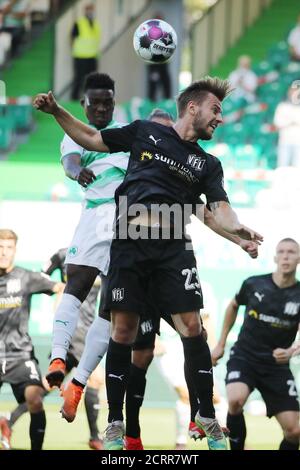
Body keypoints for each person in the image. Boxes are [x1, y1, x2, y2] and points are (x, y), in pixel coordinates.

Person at [33, 77, 263, 451]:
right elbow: (92, 139)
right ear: (193, 107)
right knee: (122, 332)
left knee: (192, 327)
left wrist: (238, 232)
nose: (219, 118)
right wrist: (57, 110)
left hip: (174, 248)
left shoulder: (207, 163)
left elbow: (216, 210)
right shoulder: (144, 134)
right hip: (130, 244)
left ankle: (205, 414)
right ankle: (115, 425)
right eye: (215, 110)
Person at [45, 72, 127, 395]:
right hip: (96, 217)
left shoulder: (125, 133)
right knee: (77, 284)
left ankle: (79, 382)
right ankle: (57, 357)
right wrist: (79, 173)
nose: (102, 109)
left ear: (114, 103)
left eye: (108, 103)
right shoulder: (76, 133)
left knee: (110, 303)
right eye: (96, 103)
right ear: (84, 105)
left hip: (128, 224)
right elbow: (70, 163)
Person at [3, 247, 104, 451]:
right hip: (74, 327)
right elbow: (41, 274)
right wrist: (61, 291)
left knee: (49, 384)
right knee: (96, 378)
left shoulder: (103, 253)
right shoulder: (63, 254)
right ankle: (95, 437)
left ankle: (8, 419)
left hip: (89, 326)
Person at [212, 238, 300, 451]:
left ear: (299, 258)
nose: (286, 256)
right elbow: (233, 306)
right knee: (235, 400)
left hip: (276, 367)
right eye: (281, 252)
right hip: (245, 357)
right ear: (275, 257)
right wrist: (221, 344)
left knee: (295, 432)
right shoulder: (254, 283)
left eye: (291, 252)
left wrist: (292, 351)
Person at [0, 229, 64, 450]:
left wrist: (59, 307)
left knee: (35, 398)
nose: (4, 253)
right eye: (0, 247)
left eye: (8, 248)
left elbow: (60, 288)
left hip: (20, 355)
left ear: (15, 251)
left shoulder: (26, 277)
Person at [71, 3, 101, 100]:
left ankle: (90, 99)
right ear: (85, 11)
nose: (91, 12)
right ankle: (74, 99)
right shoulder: (79, 23)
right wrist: (74, 48)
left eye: (92, 10)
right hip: (80, 56)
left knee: (92, 80)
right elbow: (72, 38)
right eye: (89, 10)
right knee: (79, 79)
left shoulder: (95, 24)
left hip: (92, 56)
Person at [274, 84, 300, 168]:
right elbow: (277, 123)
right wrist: (291, 121)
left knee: (297, 168)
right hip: (285, 141)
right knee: (282, 166)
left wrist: (290, 121)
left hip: (298, 142)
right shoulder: (282, 106)